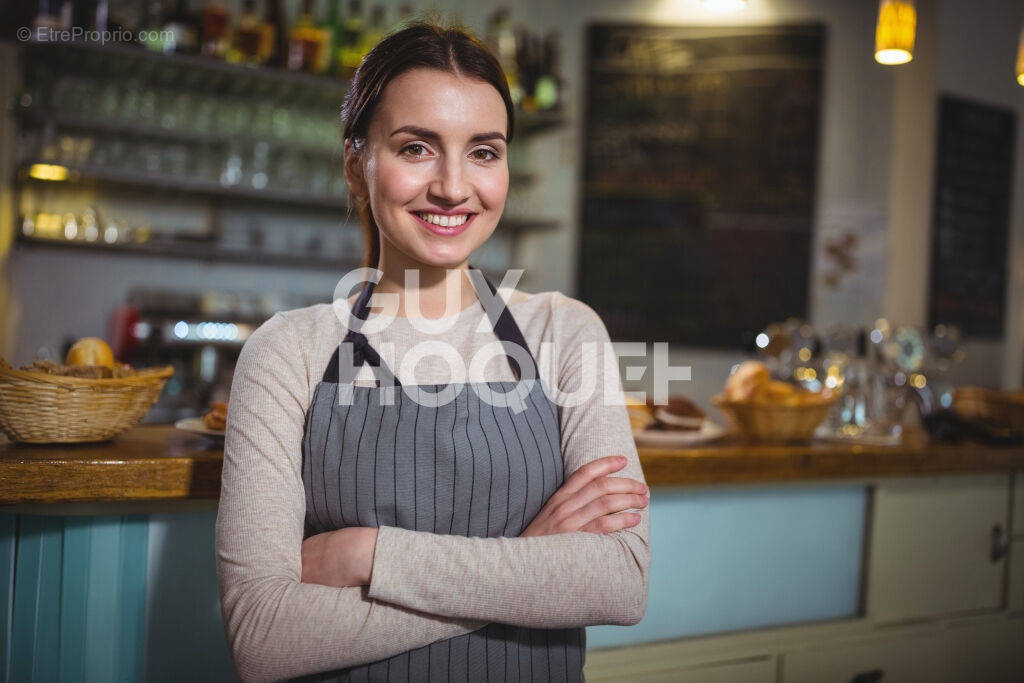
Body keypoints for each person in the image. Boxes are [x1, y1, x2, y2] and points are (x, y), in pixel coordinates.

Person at [215, 19, 651, 683]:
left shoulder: (566, 333)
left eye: (483, 151)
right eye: (417, 148)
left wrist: (370, 554)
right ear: (356, 164)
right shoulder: (288, 352)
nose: (453, 186)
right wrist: (527, 560)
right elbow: (265, 637)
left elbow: (619, 581)